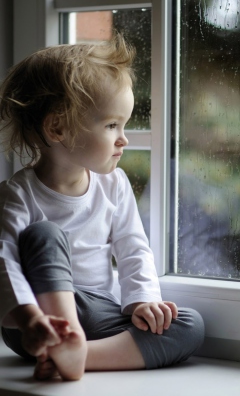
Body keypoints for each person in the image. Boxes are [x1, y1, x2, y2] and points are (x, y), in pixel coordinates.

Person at [0, 34, 204, 381]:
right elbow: (4, 261)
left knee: (189, 325)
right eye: (112, 125)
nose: (123, 138)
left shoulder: (115, 184)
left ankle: (78, 355)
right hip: (36, 323)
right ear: (58, 127)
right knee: (44, 233)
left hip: (99, 312)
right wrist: (30, 318)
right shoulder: (19, 193)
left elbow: (133, 248)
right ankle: (61, 342)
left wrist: (142, 301)